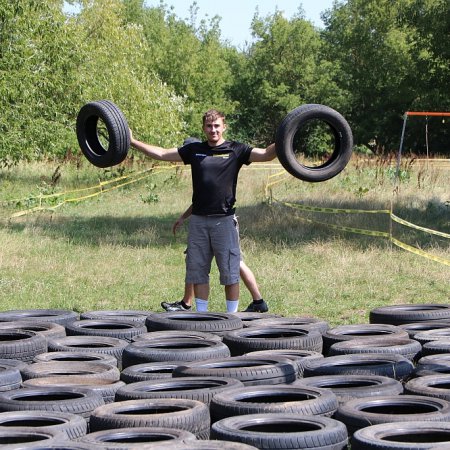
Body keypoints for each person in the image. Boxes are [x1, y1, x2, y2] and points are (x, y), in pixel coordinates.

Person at [130, 109, 276, 313]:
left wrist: (286, 136)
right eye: (209, 126)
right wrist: (131, 141)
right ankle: (201, 315)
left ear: (224, 126)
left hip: (224, 221)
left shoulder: (236, 149)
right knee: (197, 271)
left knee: (229, 271)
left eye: (217, 126)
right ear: (203, 128)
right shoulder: (194, 150)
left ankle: (231, 317)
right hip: (198, 221)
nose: (213, 130)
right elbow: (161, 153)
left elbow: (268, 154)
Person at [161, 202, 268, 312]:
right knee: (196, 262)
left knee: (233, 265)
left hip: (223, 221)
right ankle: (187, 302)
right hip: (201, 220)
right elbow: (201, 197)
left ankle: (257, 301)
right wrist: (183, 217)